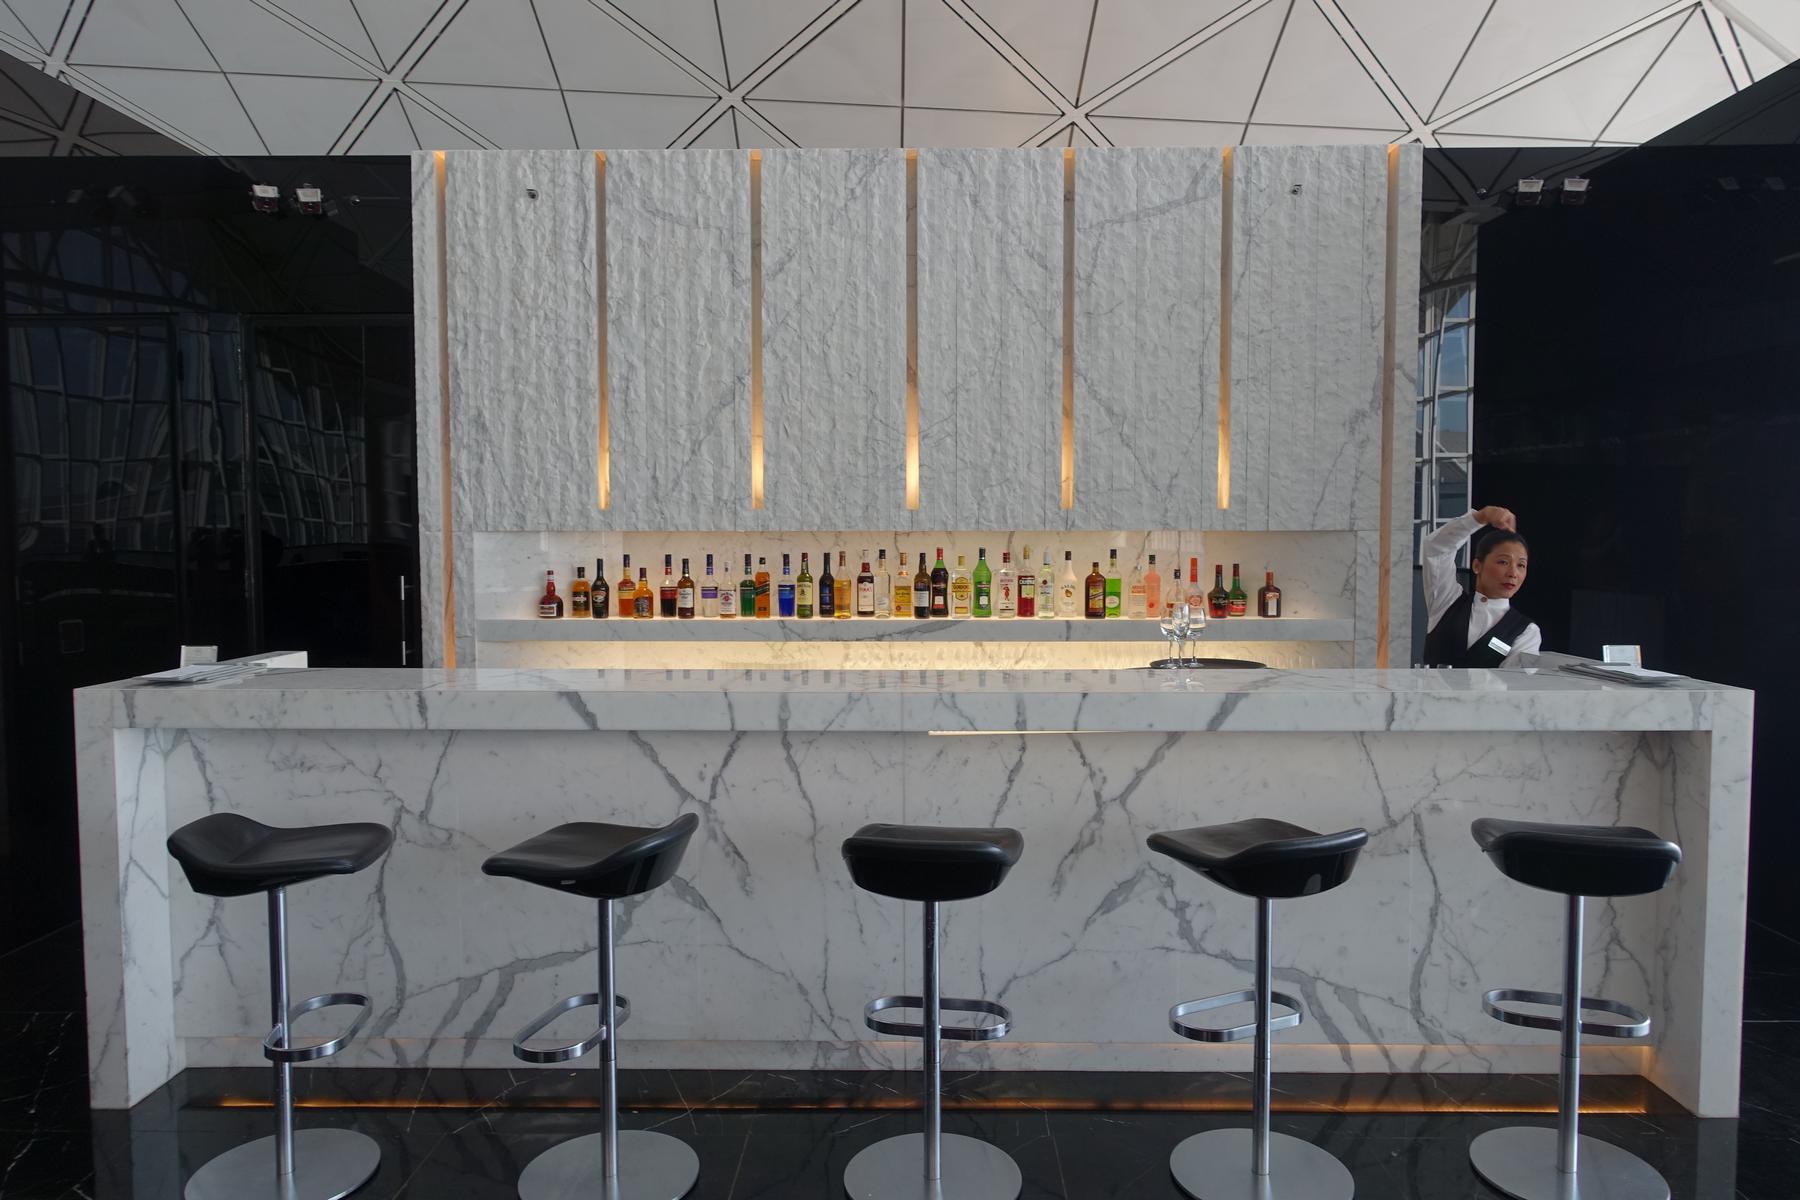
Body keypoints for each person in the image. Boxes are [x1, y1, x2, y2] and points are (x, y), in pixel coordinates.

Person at [1420, 506, 1541, 667]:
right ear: (1477, 565)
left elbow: (1515, 683)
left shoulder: (1526, 632)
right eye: (1503, 562)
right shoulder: (1447, 601)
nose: (1513, 573)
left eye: (1521, 565)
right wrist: (1480, 517)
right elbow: (1436, 548)